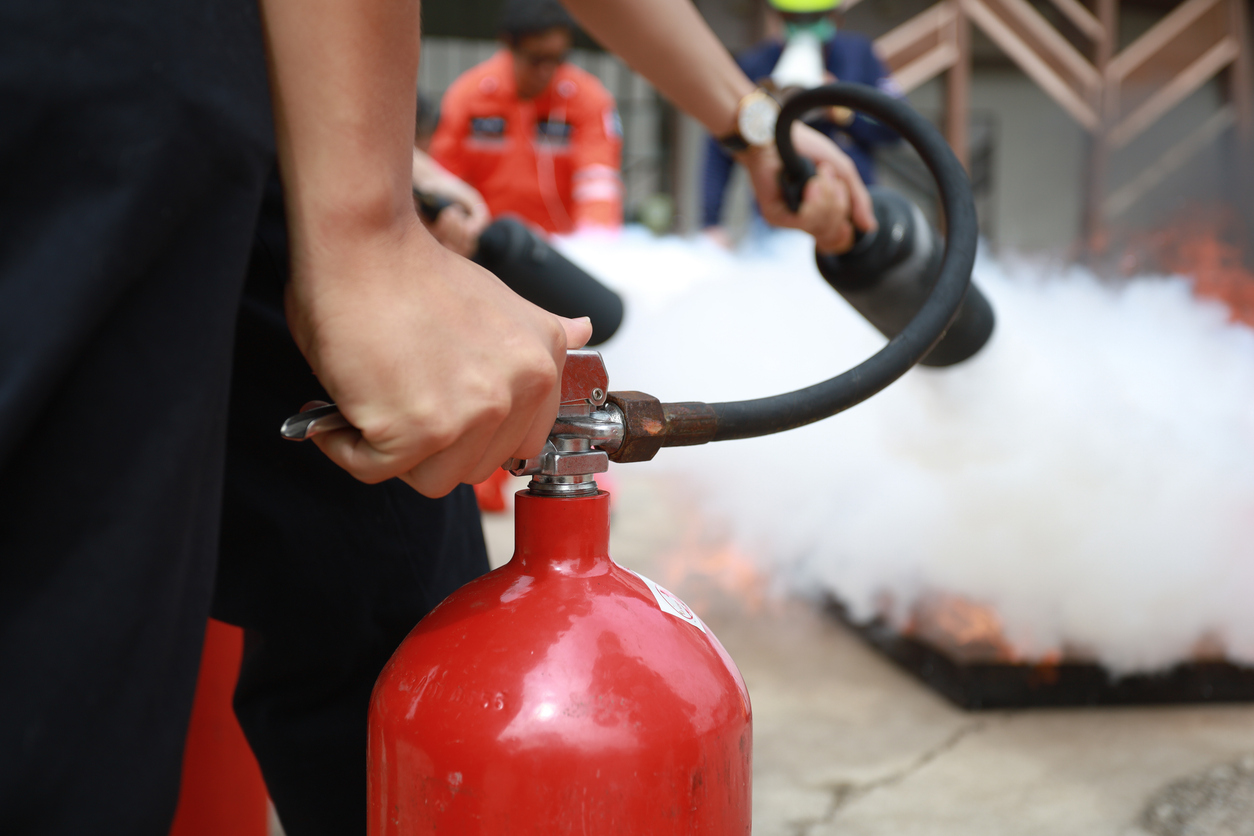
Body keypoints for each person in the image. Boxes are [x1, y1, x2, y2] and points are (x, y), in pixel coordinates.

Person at [0, 1, 872, 834]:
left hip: (239, 99)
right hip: (99, 77)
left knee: (386, 589)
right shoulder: (472, 96)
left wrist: (751, 123)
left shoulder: (585, 102)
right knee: (65, 690)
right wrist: (366, 232)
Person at [702, 0, 901, 245]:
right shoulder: (757, 64)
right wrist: (711, 222)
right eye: (791, 18)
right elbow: (722, 143)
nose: (803, 26)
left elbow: (896, 126)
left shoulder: (859, 56)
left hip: (853, 212)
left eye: (814, 17)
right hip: (779, 220)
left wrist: (843, 111)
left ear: (835, 16)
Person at [429, 0, 625, 235]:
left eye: (557, 59)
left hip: (561, 250)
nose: (546, 71)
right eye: (537, 59)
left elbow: (598, 183)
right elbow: (443, 178)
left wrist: (594, 244)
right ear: (509, 44)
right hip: (484, 245)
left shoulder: (588, 99)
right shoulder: (469, 96)